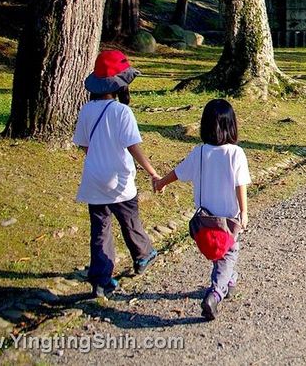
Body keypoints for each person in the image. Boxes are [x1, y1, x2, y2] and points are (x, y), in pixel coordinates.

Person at [74, 50, 160, 299]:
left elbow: (84, 144)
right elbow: (134, 147)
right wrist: (153, 173)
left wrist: (97, 158)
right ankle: (143, 256)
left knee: (100, 228)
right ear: (120, 84)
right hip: (120, 181)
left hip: (93, 179)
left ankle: (101, 281)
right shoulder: (122, 113)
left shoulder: (86, 110)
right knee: (129, 220)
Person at [155, 99, 251, 320]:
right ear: (232, 126)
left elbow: (178, 173)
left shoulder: (198, 153)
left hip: (203, 223)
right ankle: (216, 293)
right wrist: (244, 212)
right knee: (229, 254)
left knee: (223, 256)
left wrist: (161, 183)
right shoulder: (235, 153)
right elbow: (241, 184)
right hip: (228, 221)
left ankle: (231, 279)